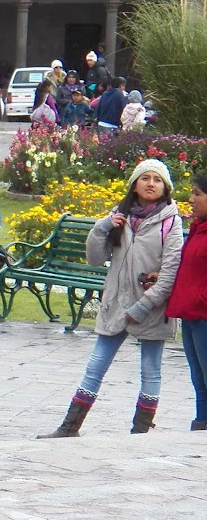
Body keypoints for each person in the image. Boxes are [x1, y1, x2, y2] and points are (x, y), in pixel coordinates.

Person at [43, 159, 183, 438]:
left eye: (157, 179)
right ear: (134, 184)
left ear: (165, 187)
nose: (151, 184)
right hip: (117, 305)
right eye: (145, 178)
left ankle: (140, 432)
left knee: (150, 370)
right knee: (95, 366)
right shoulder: (120, 216)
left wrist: (143, 306)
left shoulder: (171, 222)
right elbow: (95, 259)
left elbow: (170, 273)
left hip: (152, 308)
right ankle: (70, 427)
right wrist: (102, 227)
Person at [168, 172, 207, 431]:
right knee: (198, 378)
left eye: (197, 194)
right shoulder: (198, 229)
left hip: (203, 315)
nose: (191, 199)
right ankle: (201, 424)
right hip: (190, 315)